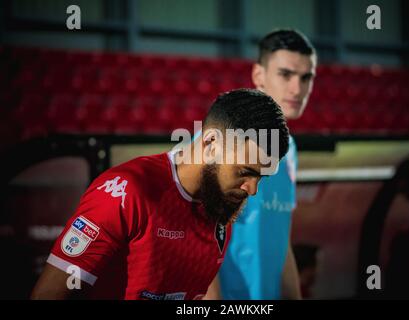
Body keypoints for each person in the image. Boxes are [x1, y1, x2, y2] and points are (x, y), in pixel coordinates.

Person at [30, 89, 289, 300]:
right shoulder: (125, 192)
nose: (252, 189)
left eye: (260, 177)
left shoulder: (220, 208)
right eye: (245, 171)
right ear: (211, 144)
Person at [205, 29, 317, 300]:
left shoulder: (288, 148)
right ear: (259, 76)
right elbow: (193, 241)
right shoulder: (222, 139)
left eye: (306, 77)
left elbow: (281, 242)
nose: (297, 88)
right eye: (285, 74)